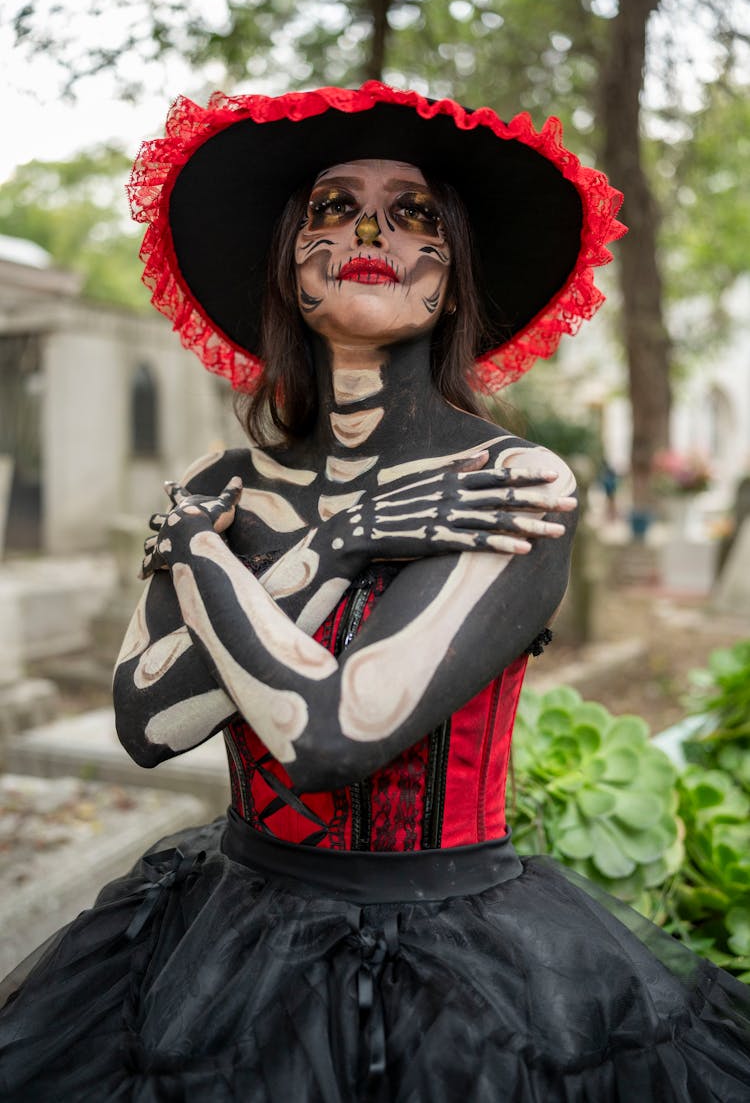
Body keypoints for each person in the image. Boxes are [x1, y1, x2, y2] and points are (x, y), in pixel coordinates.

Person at [1, 81, 748, 1102]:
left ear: (449, 279)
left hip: (464, 965)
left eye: (414, 214)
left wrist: (206, 555)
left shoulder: (510, 484)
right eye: (332, 206)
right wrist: (340, 542)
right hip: (221, 927)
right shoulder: (225, 484)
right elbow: (147, 718)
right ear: (287, 260)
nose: (369, 229)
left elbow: (330, 734)